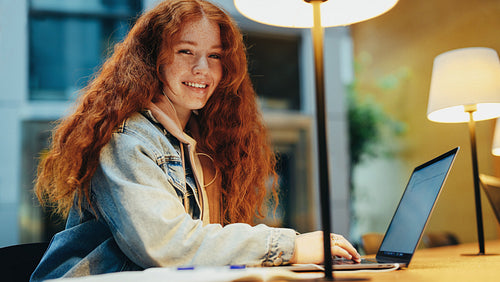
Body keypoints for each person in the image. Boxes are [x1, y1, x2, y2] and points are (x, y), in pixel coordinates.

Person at [30, 0, 360, 280]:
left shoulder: (202, 141)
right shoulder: (126, 138)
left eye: (215, 56)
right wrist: (289, 246)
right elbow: (167, 245)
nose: (202, 68)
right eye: (186, 51)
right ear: (152, 59)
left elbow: (204, 251)